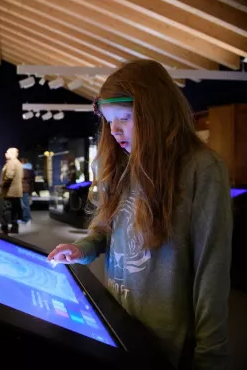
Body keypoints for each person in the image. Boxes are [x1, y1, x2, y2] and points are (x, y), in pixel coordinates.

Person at [47, 60, 231, 370]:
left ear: (156, 112)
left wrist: (210, 357)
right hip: (120, 322)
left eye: (125, 118)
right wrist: (83, 248)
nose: (115, 131)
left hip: (167, 344)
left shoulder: (202, 170)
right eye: (108, 121)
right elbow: (107, 230)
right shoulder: (121, 163)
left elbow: (211, 272)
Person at [0, 148, 23, 234]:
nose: (5, 153)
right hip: (16, 192)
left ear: (12, 154)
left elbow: (9, 176)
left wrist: (3, 185)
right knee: (15, 211)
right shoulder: (18, 163)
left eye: (7, 152)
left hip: (10, 192)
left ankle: (4, 228)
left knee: (6, 210)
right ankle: (14, 227)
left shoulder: (11, 163)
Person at [21, 158, 35, 224]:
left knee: (24, 204)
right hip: (27, 188)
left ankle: (26, 218)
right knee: (26, 204)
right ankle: (27, 217)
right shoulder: (30, 170)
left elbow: (22, 179)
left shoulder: (24, 170)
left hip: (23, 188)